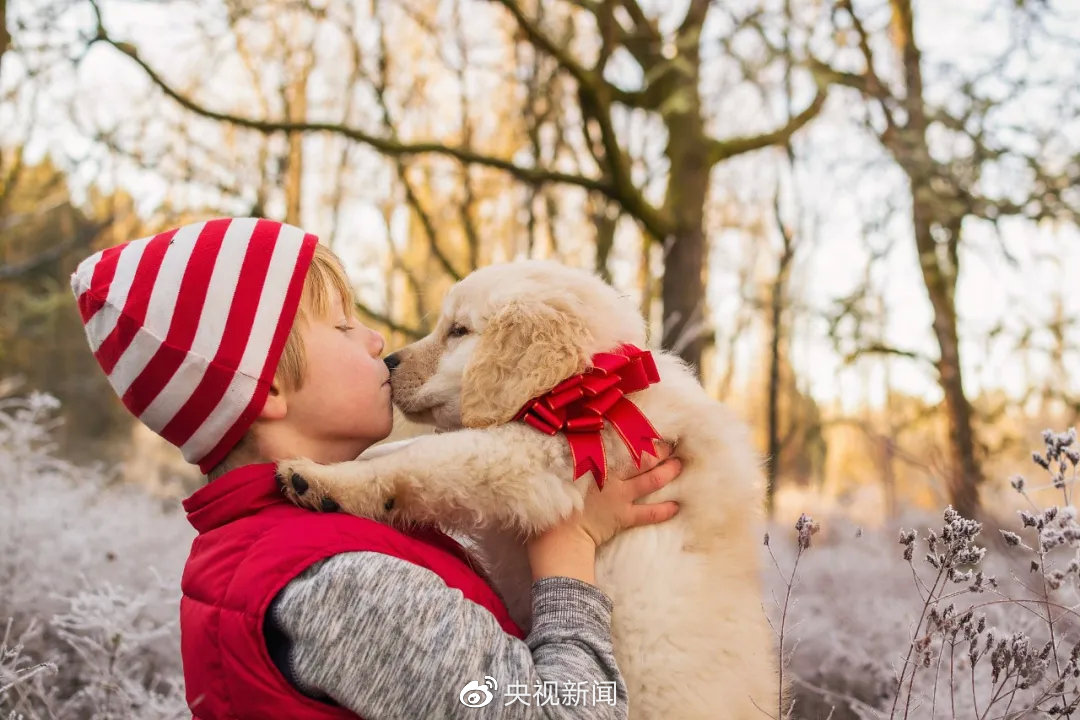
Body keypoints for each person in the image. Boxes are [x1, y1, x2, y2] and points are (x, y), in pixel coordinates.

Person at [70, 217, 682, 719]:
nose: (374, 341)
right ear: (267, 389)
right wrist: (567, 547)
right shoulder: (338, 587)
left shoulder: (297, 543)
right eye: (342, 324)